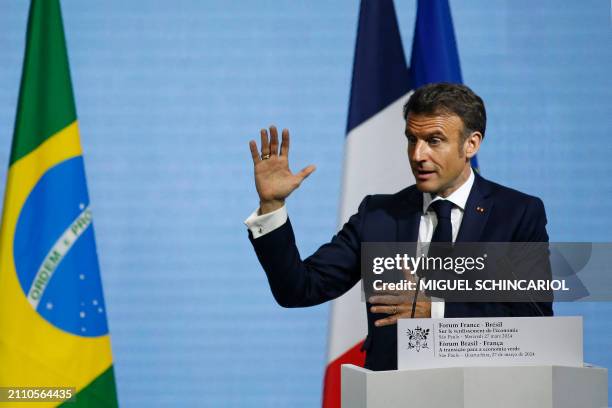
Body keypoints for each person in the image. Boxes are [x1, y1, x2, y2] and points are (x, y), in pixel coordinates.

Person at [245, 83, 553, 371]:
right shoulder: (378, 215)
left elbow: (535, 322)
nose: (418, 156)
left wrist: (436, 311)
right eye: (412, 139)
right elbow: (299, 289)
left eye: (434, 141)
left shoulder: (517, 214)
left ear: (471, 144)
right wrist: (272, 206)